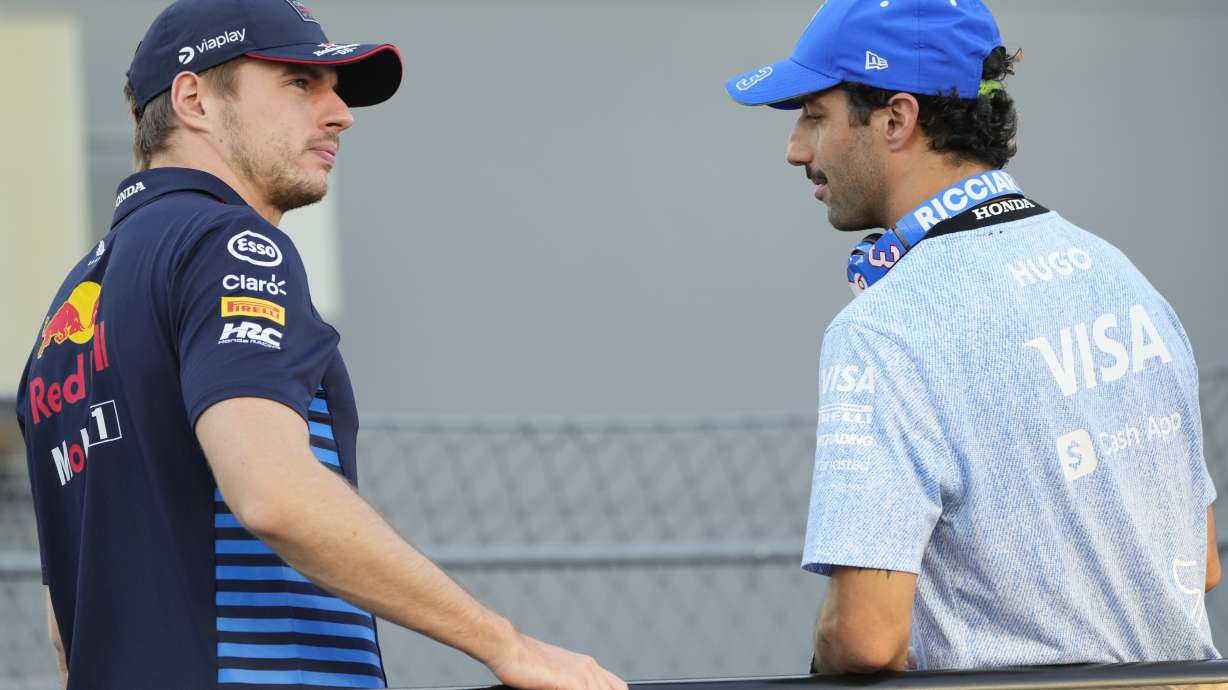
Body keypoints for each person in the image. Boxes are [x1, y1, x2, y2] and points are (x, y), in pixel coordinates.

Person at [16, 2, 628, 689]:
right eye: (299, 83)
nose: (340, 114)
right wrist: (508, 645)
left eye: (334, 89)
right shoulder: (227, 245)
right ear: (194, 100)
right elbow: (275, 492)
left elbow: (63, 627)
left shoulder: (66, 315)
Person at [725, 0, 1220, 674]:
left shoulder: (885, 329)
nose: (796, 150)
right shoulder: (1122, 279)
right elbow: (1204, 562)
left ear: (897, 119)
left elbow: (864, 640)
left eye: (815, 117)